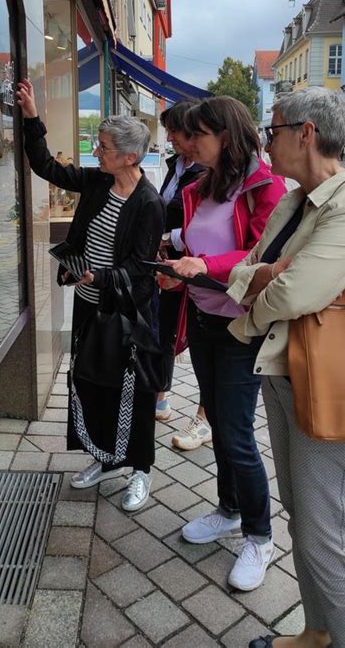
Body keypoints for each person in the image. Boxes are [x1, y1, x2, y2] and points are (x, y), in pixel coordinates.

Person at [227, 88, 345, 648]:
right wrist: (267, 279)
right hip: (285, 372)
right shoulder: (294, 201)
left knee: (324, 538)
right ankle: (317, 633)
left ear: (305, 134)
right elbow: (251, 270)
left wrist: (267, 285)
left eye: (273, 130)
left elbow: (294, 292)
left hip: (330, 385)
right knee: (300, 519)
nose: (267, 141)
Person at [17, 79, 165, 512]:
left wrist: (99, 279)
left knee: (130, 390)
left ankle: (140, 469)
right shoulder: (98, 183)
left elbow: (141, 269)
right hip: (88, 304)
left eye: (102, 147)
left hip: (124, 312)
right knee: (89, 382)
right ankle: (105, 457)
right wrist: (31, 118)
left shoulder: (148, 204)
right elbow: (47, 167)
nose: (94, 152)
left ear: (129, 156)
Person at [160, 96, 286, 591]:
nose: (186, 143)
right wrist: (178, 271)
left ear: (226, 136)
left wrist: (203, 268)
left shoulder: (266, 188)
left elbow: (262, 256)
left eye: (196, 135)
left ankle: (260, 536)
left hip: (240, 328)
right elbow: (198, 246)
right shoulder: (203, 184)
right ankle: (229, 510)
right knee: (217, 423)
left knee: (235, 434)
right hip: (205, 319)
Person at [154, 102, 212, 452]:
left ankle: (205, 419)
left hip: (200, 265)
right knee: (164, 327)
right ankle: (160, 397)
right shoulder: (177, 164)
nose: (170, 137)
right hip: (173, 262)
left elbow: (203, 227)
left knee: (204, 337)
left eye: (174, 131)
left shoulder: (209, 170)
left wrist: (167, 238)